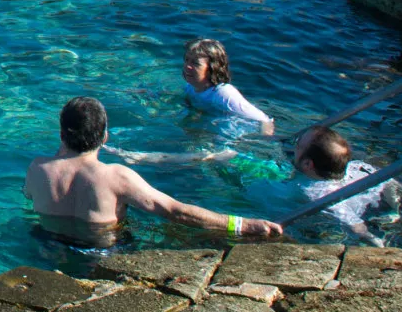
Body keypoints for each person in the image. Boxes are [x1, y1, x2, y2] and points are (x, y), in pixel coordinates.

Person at [24, 97, 284, 244]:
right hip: (98, 254)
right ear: (105, 137)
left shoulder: (37, 168)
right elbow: (176, 212)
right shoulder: (116, 176)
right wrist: (244, 224)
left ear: (61, 134)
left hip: (48, 245)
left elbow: (30, 196)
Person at [182, 39, 273, 134]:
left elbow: (265, 120)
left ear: (212, 68)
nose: (187, 66)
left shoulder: (224, 93)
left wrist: (266, 140)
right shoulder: (190, 87)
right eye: (186, 60)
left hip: (236, 136)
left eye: (196, 63)